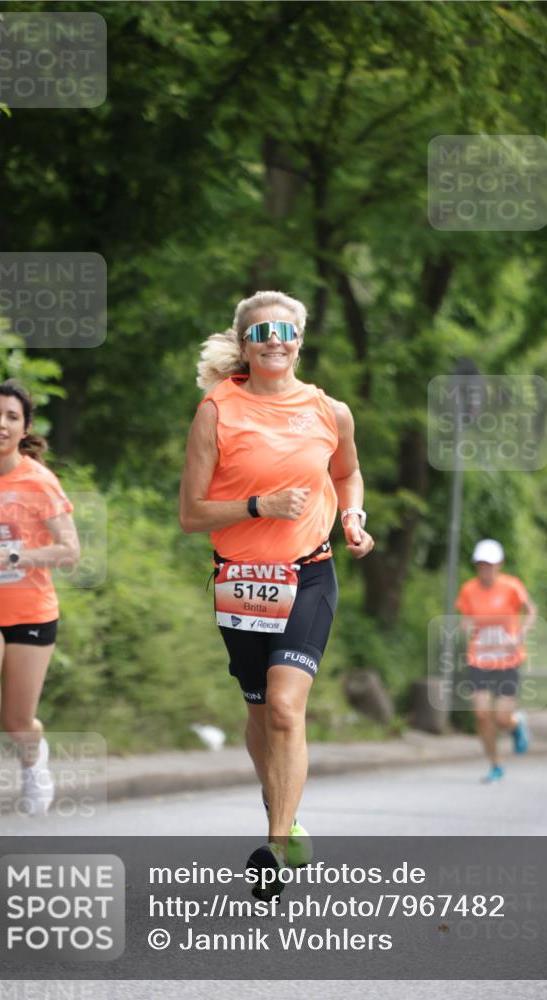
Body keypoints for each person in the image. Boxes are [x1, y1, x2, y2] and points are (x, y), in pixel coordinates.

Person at [179, 290, 374, 896]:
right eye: (261, 332)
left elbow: (346, 473)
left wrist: (353, 517)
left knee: (287, 708)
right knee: (260, 712)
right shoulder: (217, 410)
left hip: (308, 573)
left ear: (299, 340)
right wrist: (257, 505)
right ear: (245, 344)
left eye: (285, 330)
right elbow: (191, 513)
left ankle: (276, 842)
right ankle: (284, 816)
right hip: (241, 582)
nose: (274, 340)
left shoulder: (328, 411)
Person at [0, 380, 80, 857]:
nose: (0, 423)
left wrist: (9, 554)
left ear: (25, 428)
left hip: (30, 611)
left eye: (11, 416)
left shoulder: (39, 482)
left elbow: (70, 551)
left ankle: (34, 756)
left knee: (15, 720)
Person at [456, 539, 537, 784]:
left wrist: (519, 635)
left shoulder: (511, 587)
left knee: (502, 717)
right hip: (479, 657)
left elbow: (531, 611)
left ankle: (516, 724)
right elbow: (464, 620)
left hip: (507, 659)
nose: (485, 569)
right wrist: (466, 625)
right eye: (481, 564)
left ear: (499, 564)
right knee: (481, 714)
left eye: (489, 564)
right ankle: (495, 764)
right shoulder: (469, 590)